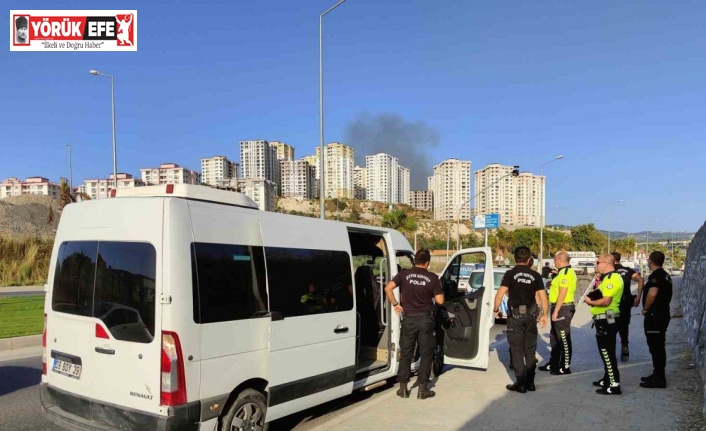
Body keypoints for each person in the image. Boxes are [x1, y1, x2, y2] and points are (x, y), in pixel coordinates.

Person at [384, 249, 444, 400]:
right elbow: (440, 301)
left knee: (406, 353)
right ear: (428, 263)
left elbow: (388, 288)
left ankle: (403, 389)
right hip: (425, 320)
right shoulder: (432, 278)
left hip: (409, 320)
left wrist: (396, 304)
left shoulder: (404, 274)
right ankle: (422, 390)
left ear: (415, 260)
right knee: (426, 354)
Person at [495, 246, 548, 393]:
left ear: (514, 258)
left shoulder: (510, 274)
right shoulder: (535, 275)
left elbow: (499, 295)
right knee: (530, 351)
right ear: (529, 259)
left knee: (517, 350)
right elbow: (543, 298)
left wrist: (495, 309)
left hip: (515, 316)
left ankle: (520, 383)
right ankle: (530, 383)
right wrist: (544, 315)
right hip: (531, 316)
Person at [584, 253, 624, 395]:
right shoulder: (607, 278)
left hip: (607, 318)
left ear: (606, 263)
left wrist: (590, 302)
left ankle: (614, 385)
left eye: (598, 262)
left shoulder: (612, 278)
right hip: (605, 318)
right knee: (606, 351)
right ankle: (608, 378)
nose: (596, 264)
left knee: (607, 352)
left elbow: (606, 301)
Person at [538, 251, 577, 375]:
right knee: (554, 337)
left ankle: (565, 366)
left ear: (560, 259)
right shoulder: (560, 273)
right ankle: (554, 362)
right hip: (558, 306)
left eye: (555, 259)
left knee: (563, 338)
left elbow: (563, 293)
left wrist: (556, 311)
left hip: (563, 307)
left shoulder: (566, 272)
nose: (554, 262)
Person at [640, 251, 673, 389]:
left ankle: (659, 378)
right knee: (657, 345)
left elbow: (652, 294)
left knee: (656, 346)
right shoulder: (665, 275)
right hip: (662, 314)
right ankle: (657, 373)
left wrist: (646, 309)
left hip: (655, 316)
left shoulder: (656, 276)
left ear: (650, 261)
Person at [611, 252, 645, 362]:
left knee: (611, 325)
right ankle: (624, 346)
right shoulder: (627, 270)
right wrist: (638, 297)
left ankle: (610, 352)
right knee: (624, 326)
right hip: (626, 303)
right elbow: (641, 280)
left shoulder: (609, 271)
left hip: (611, 305)